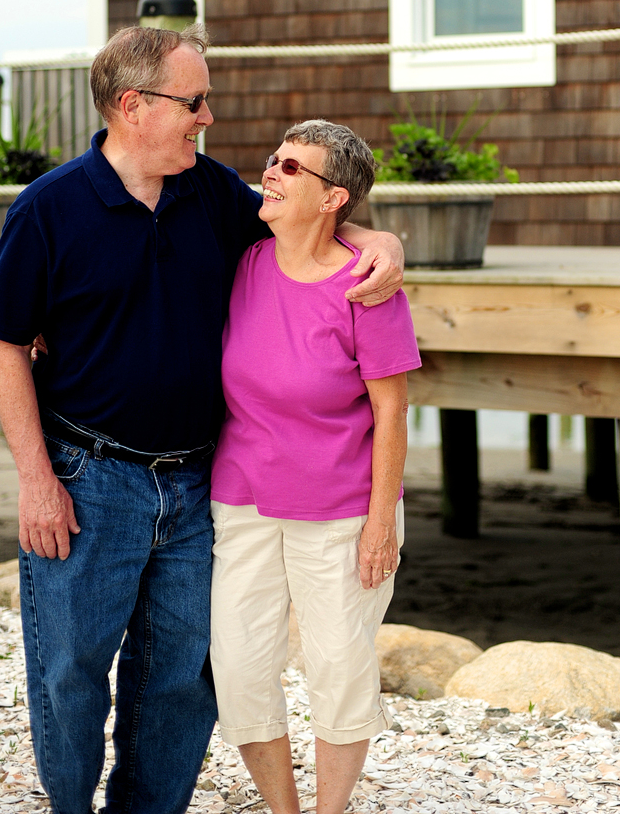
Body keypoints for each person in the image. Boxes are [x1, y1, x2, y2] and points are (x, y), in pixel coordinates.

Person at [0, 26, 404, 814]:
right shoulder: (47, 210)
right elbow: (6, 344)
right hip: (88, 478)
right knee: (70, 669)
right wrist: (36, 480)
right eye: (194, 101)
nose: (208, 116)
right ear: (134, 106)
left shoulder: (209, 193)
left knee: (178, 677)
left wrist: (382, 237)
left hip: (200, 483)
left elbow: (310, 223)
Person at [209, 119, 422, 814]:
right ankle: (284, 809)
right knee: (239, 667)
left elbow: (393, 413)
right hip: (241, 498)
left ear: (333, 197)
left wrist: (380, 524)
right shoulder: (244, 258)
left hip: (341, 507)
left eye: (291, 167)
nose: (270, 171)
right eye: (273, 159)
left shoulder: (368, 287)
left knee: (339, 667)